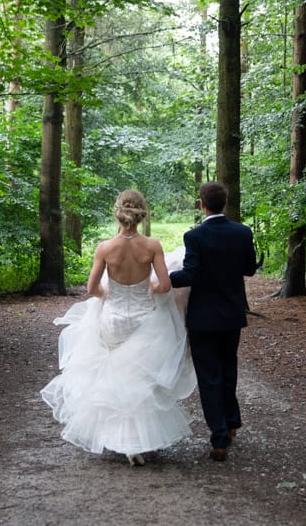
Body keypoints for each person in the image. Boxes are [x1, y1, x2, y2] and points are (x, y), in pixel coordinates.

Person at [40, 190, 196, 466]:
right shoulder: (152, 246)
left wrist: (110, 293)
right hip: (143, 318)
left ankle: (119, 439)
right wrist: (148, 289)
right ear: (141, 214)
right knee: (139, 379)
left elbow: (92, 289)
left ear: (118, 213)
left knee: (112, 379)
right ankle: (137, 440)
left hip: (112, 320)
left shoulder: (105, 248)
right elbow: (165, 284)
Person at [169, 181, 259, 462]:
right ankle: (231, 423)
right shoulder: (243, 232)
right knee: (228, 368)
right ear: (225, 202)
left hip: (203, 319)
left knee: (209, 377)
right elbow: (249, 270)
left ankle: (219, 438)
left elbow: (190, 275)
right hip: (232, 315)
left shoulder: (194, 237)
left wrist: (163, 277)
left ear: (202, 204)